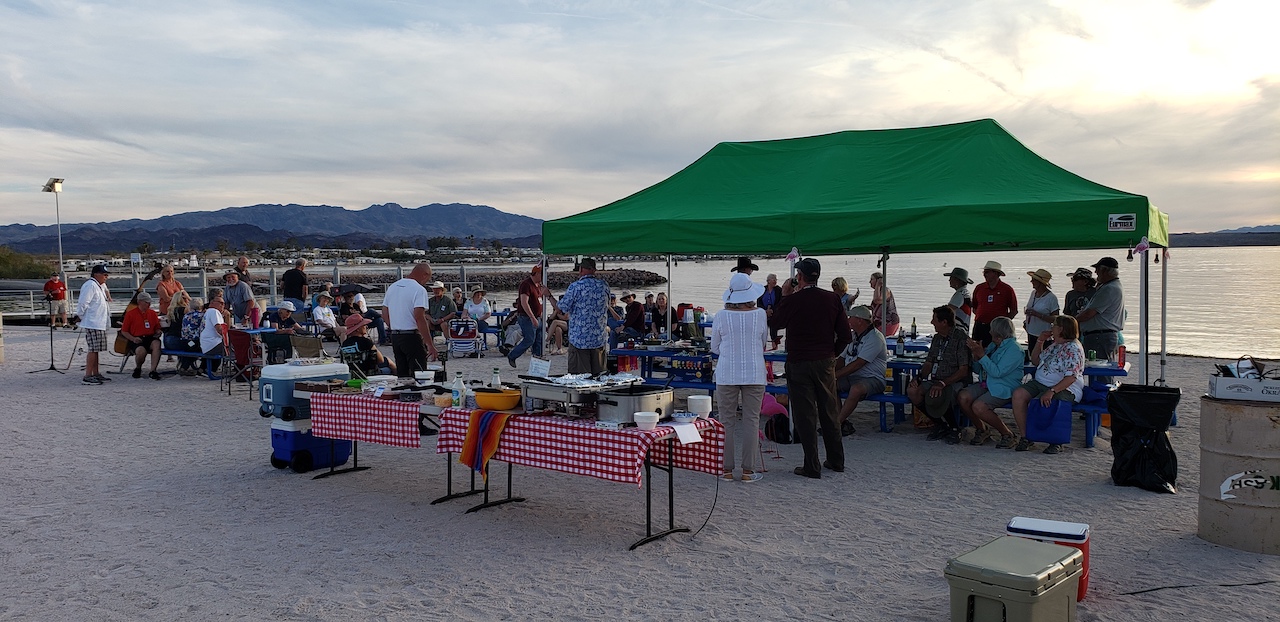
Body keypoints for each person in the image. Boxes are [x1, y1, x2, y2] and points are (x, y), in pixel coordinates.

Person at [768, 258, 852, 479]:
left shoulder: (793, 301)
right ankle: (836, 460)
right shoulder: (832, 298)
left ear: (799, 277)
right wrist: (832, 352)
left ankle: (811, 465)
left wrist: (785, 296)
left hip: (799, 361)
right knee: (829, 411)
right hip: (824, 360)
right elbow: (846, 335)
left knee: (805, 415)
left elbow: (775, 322)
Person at [710, 272, 768, 482]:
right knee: (751, 421)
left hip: (727, 373)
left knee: (726, 422)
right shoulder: (760, 314)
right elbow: (763, 342)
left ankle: (726, 470)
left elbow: (714, 347)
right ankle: (748, 471)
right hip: (754, 372)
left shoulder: (721, 316)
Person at [1012, 315, 1085, 454]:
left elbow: (1071, 377)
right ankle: (1026, 436)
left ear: (1061, 329)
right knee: (1018, 394)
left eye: (1054, 325)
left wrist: (1052, 390)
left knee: (1045, 400)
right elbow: (1035, 361)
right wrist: (1040, 341)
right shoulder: (1055, 345)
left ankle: (1056, 440)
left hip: (1065, 386)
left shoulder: (1073, 348)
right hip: (1041, 382)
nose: (1051, 327)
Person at [906, 305, 972, 444]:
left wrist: (943, 383)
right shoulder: (936, 338)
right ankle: (940, 424)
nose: (931, 322)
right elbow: (929, 363)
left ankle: (954, 428)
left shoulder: (960, 338)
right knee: (912, 391)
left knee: (939, 393)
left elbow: (963, 370)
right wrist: (918, 378)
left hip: (955, 381)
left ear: (944, 322)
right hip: (936, 379)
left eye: (934, 319)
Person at [959, 316, 1023, 448]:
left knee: (979, 406)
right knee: (963, 397)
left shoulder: (1014, 350)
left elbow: (997, 372)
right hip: (987, 383)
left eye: (992, 330)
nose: (989, 332)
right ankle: (982, 429)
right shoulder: (994, 346)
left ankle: (1007, 434)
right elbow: (979, 370)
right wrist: (976, 355)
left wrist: (982, 355)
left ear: (998, 333)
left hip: (1004, 386)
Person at [547, 257, 611, 375]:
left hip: (580, 340)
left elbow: (561, 309)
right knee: (600, 377)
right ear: (594, 270)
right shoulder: (604, 286)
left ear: (581, 269)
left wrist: (549, 296)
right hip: (599, 339)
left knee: (579, 379)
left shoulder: (576, 286)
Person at [834, 305, 887, 437]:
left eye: (850, 317)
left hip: (873, 378)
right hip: (852, 376)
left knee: (856, 389)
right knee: (830, 385)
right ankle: (841, 422)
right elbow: (841, 359)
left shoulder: (875, 338)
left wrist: (836, 374)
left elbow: (859, 364)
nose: (848, 320)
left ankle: (836, 425)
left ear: (859, 320)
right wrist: (829, 373)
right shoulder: (853, 336)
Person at [381, 262, 438, 374]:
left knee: (402, 373)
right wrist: (429, 344)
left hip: (396, 336)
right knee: (419, 372)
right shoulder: (419, 289)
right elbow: (419, 317)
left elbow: (384, 313)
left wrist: (394, 326)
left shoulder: (393, 287)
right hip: (411, 335)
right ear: (424, 275)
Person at [1076, 257, 1124, 360]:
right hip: (1100, 336)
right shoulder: (1108, 286)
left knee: (1099, 369)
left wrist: (1071, 321)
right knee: (1097, 369)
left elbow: (1089, 314)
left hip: (1100, 337)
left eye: (1098, 269)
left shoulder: (1109, 289)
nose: (1095, 272)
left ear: (1105, 271)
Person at [75, 265, 113, 385]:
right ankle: (88, 375)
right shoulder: (90, 285)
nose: (106, 277)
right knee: (92, 349)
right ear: (96, 274)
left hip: (100, 323)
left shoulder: (99, 285)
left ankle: (96, 373)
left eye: (107, 275)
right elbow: (83, 302)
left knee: (97, 349)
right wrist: (79, 316)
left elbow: (106, 291)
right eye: (104, 274)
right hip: (93, 322)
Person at [508, 264, 546, 368]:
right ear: (537, 274)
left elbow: (540, 302)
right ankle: (512, 355)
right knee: (529, 339)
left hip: (538, 316)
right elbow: (524, 302)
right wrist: (532, 317)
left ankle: (537, 360)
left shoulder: (539, 285)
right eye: (542, 274)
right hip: (526, 317)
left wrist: (541, 314)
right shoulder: (526, 285)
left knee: (539, 339)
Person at [971, 260, 1018, 347]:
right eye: (984, 272)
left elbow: (1013, 310)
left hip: (997, 329)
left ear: (996, 273)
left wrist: (1002, 324)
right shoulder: (979, 288)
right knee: (976, 349)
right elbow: (974, 307)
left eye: (987, 272)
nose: (984, 274)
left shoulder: (1007, 289)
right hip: (980, 326)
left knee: (997, 351)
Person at [120, 291, 164, 380]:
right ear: (140, 302)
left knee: (157, 344)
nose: (149, 304)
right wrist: (133, 339)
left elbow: (157, 327)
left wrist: (158, 331)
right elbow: (124, 331)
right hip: (136, 338)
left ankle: (153, 370)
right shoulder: (130, 314)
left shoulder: (152, 313)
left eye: (149, 302)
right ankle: (138, 367)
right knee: (141, 351)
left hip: (150, 337)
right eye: (146, 302)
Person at [1023, 269, 1060, 353]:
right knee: (1032, 358)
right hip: (1031, 333)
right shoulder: (1033, 293)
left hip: (1044, 336)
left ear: (1040, 283)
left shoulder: (1051, 298)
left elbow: (1056, 318)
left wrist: (1038, 315)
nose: (1031, 281)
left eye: (1034, 280)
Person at [177, 297, 205, 375]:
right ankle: (202, 368)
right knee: (202, 348)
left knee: (191, 348)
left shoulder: (186, 316)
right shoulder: (202, 316)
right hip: (195, 342)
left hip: (185, 342)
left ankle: (184, 367)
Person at [199, 293, 228, 368]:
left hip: (207, 345)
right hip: (213, 344)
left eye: (224, 303)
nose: (223, 305)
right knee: (240, 346)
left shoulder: (208, 312)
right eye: (220, 303)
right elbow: (219, 329)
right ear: (212, 303)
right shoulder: (214, 311)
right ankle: (241, 370)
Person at [867, 272, 900, 337]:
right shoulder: (878, 291)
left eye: (872, 279)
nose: (869, 282)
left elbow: (877, 300)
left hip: (888, 322)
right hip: (879, 322)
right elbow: (877, 306)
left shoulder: (885, 290)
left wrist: (878, 285)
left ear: (878, 280)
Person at [758, 273, 784, 347]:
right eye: (773, 279)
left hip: (774, 313)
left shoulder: (779, 290)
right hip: (764, 312)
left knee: (773, 326)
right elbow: (759, 302)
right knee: (762, 329)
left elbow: (780, 302)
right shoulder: (763, 290)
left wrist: (772, 310)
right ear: (768, 281)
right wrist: (765, 311)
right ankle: (763, 345)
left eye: (776, 279)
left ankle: (774, 344)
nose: (775, 281)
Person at [943, 267, 973, 331]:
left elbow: (947, 311)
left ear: (958, 280)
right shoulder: (965, 293)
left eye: (951, 278)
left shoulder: (960, 294)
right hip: (964, 328)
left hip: (957, 330)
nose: (949, 280)